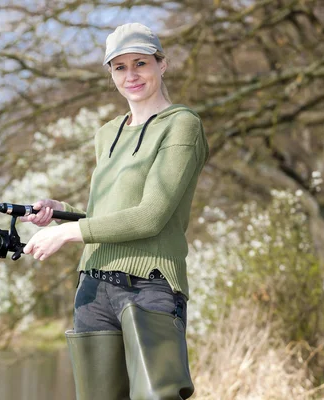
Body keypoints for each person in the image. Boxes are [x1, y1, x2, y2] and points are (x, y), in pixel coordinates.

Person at [21, 22, 209, 400]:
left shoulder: (181, 126)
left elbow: (150, 215)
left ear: (162, 64)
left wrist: (66, 234)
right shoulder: (107, 133)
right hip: (93, 289)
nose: (131, 75)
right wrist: (61, 213)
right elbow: (103, 214)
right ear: (110, 74)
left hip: (149, 287)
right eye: (120, 67)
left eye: (140, 63)